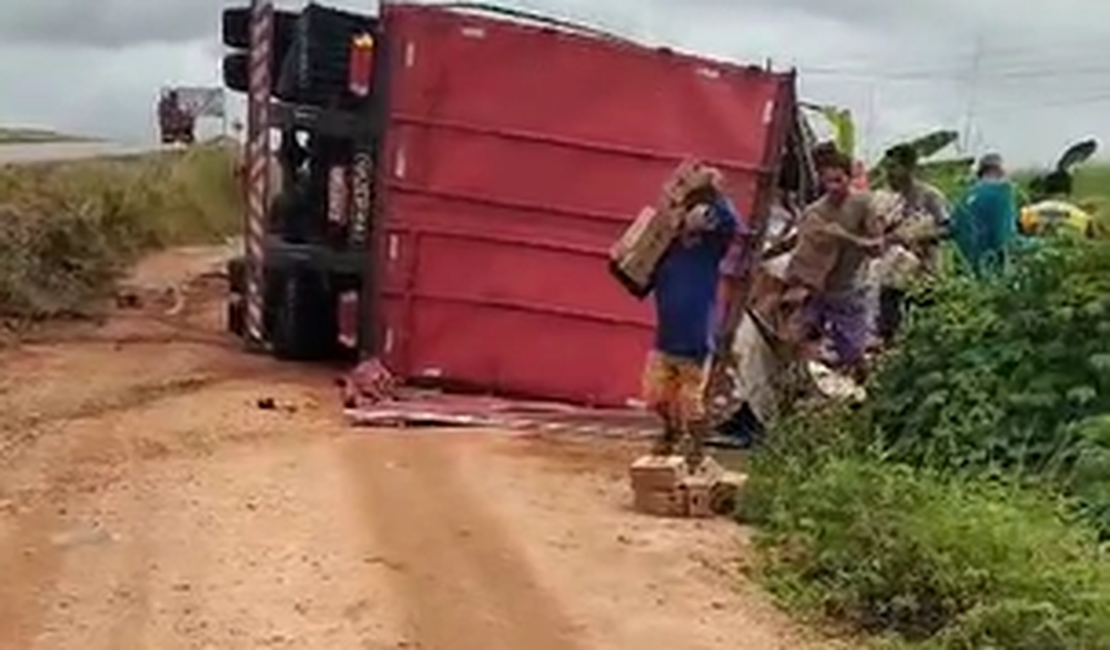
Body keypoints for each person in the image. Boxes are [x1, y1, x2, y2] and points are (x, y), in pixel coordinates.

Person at [644, 166, 739, 469]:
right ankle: (671, 431)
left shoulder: (710, 246)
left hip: (695, 337)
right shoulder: (669, 244)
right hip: (666, 335)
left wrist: (715, 193)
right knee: (655, 398)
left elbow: (729, 222)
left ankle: (695, 448)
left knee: (691, 403)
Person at [785, 149, 883, 381]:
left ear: (849, 177)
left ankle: (866, 389)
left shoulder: (863, 204)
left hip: (847, 292)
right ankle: (799, 387)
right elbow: (798, 241)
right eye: (827, 180)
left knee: (853, 353)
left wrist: (845, 237)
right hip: (815, 291)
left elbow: (877, 248)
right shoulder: (814, 211)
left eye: (838, 180)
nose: (833, 187)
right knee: (798, 338)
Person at [873, 144, 950, 343]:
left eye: (894, 167)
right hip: (893, 272)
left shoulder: (930, 196)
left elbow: (948, 229)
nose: (889, 173)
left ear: (910, 168)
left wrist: (916, 236)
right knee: (889, 322)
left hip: (924, 270)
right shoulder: (886, 198)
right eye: (887, 168)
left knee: (927, 323)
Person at [951, 153, 1019, 277]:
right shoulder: (1003, 191)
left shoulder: (964, 196)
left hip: (963, 273)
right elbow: (1005, 238)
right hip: (990, 274)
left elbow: (953, 229)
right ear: (1000, 171)